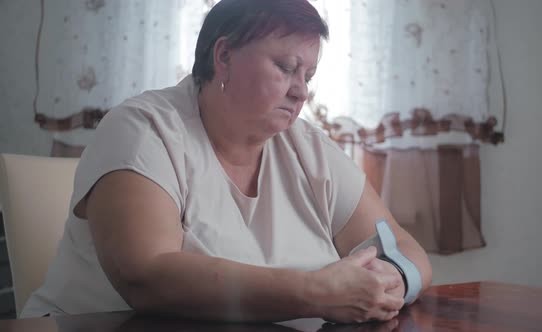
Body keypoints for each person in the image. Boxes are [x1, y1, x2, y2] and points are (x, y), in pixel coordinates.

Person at [22, 0, 432, 323]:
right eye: (286, 67)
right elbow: (145, 276)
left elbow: (403, 248)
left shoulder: (310, 149)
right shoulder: (143, 129)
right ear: (224, 56)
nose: (301, 92)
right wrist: (317, 293)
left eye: (308, 75)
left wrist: (393, 278)